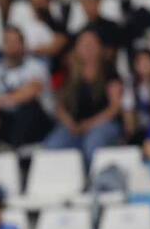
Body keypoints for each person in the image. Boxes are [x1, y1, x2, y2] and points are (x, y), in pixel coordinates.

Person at [43, 30, 123, 162]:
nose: (88, 47)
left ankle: (93, 180)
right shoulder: (68, 73)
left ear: (100, 47)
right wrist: (69, 123)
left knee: (93, 143)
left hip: (103, 123)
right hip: (74, 126)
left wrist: (89, 125)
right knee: (53, 145)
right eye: (84, 44)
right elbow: (59, 106)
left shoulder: (110, 72)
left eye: (92, 44)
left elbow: (115, 108)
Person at [122, 48, 150, 144]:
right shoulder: (130, 84)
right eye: (141, 62)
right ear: (136, 66)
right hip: (139, 129)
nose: (145, 65)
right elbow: (128, 110)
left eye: (148, 61)